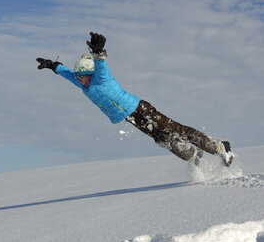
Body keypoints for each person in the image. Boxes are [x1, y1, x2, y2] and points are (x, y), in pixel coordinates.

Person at [36, 32, 234, 167]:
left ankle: (219, 147)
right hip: (130, 117)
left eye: (82, 75)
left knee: (176, 130)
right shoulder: (82, 84)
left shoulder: (100, 77)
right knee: (162, 139)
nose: (79, 78)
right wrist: (52, 65)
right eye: (78, 76)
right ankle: (193, 155)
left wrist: (98, 51)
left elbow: (101, 63)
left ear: (90, 73)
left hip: (139, 108)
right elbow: (66, 73)